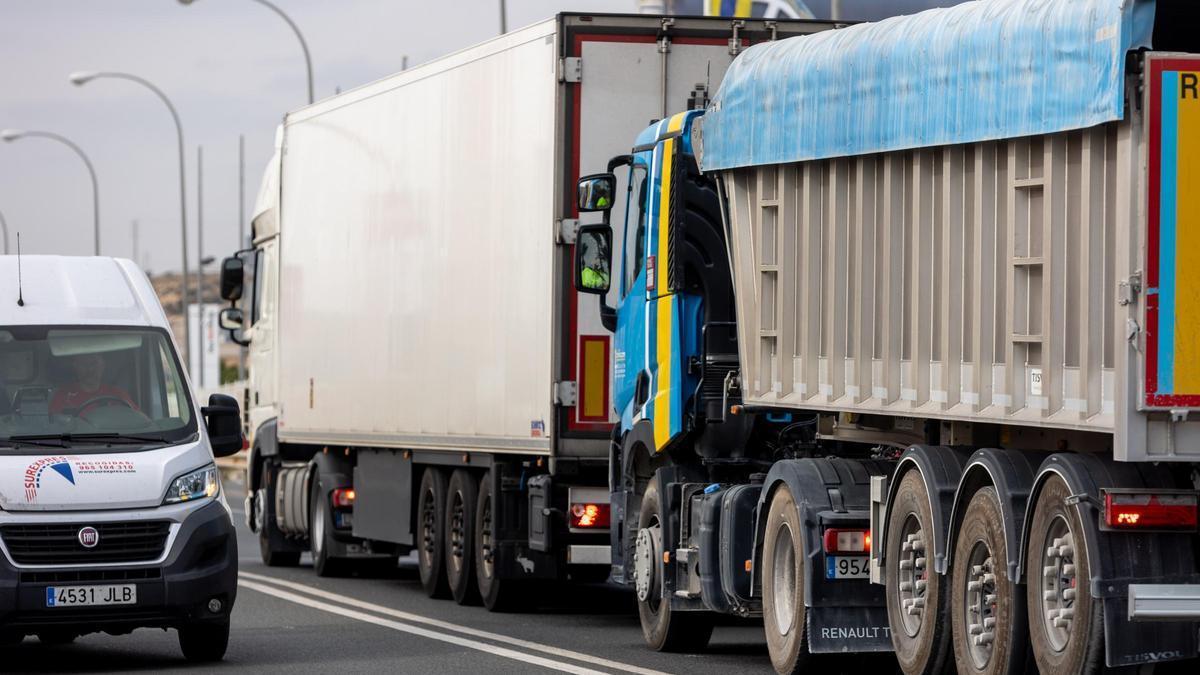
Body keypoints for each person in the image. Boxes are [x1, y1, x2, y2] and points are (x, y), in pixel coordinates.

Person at [49, 353, 137, 416]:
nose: (90, 369)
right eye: (84, 364)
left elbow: (138, 419)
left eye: (94, 363)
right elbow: (55, 426)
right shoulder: (63, 395)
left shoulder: (118, 394)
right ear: (75, 366)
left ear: (103, 365)